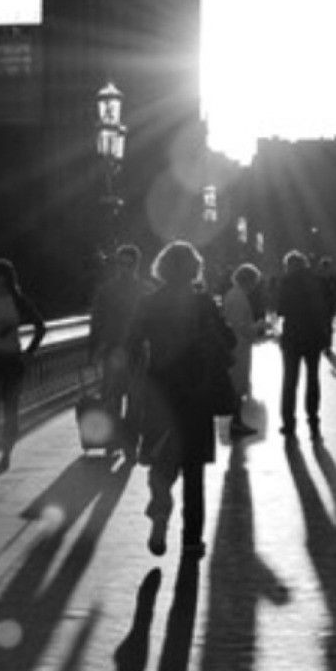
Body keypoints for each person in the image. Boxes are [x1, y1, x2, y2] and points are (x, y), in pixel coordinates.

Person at [126, 239, 235, 561]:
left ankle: (160, 511)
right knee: (194, 473)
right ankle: (191, 540)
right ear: (193, 269)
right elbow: (227, 341)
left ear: (161, 268)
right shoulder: (203, 304)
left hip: (160, 391)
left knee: (161, 460)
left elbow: (131, 343)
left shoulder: (149, 303)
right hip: (197, 394)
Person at [0, 257, 46, 470]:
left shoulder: (18, 300)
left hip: (11, 360)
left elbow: (40, 326)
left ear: (5, 278)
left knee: (11, 407)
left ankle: (7, 451)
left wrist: (29, 352)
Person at [88, 243, 149, 452]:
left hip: (134, 351)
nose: (124, 268)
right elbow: (97, 321)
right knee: (113, 397)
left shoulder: (143, 290)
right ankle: (117, 439)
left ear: (136, 265)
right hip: (114, 350)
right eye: (121, 263)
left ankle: (128, 440)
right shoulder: (108, 290)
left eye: (128, 264)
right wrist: (93, 349)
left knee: (133, 399)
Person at [277, 248, 331, 440]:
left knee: (289, 381)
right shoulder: (318, 281)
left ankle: (288, 423)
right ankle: (313, 420)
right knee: (313, 378)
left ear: (288, 265)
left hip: (292, 336)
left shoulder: (286, 282)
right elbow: (326, 308)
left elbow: (280, 310)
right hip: (313, 335)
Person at [220, 263, 263, 437]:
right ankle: (236, 423)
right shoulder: (239, 297)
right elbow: (240, 325)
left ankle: (237, 422)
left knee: (237, 384)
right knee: (237, 384)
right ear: (249, 281)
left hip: (237, 344)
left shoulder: (233, 294)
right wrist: (258, 326)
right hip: (239, 346)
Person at [318, 256, 336, 353]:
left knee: (328, 325)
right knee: (322, 325)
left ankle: (327, 345)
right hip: (320, 305)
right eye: (324, 267)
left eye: (327, 267)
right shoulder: (318, 278)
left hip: (330, 305)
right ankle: (323, 344)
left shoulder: (334, 279)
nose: (326, 269)